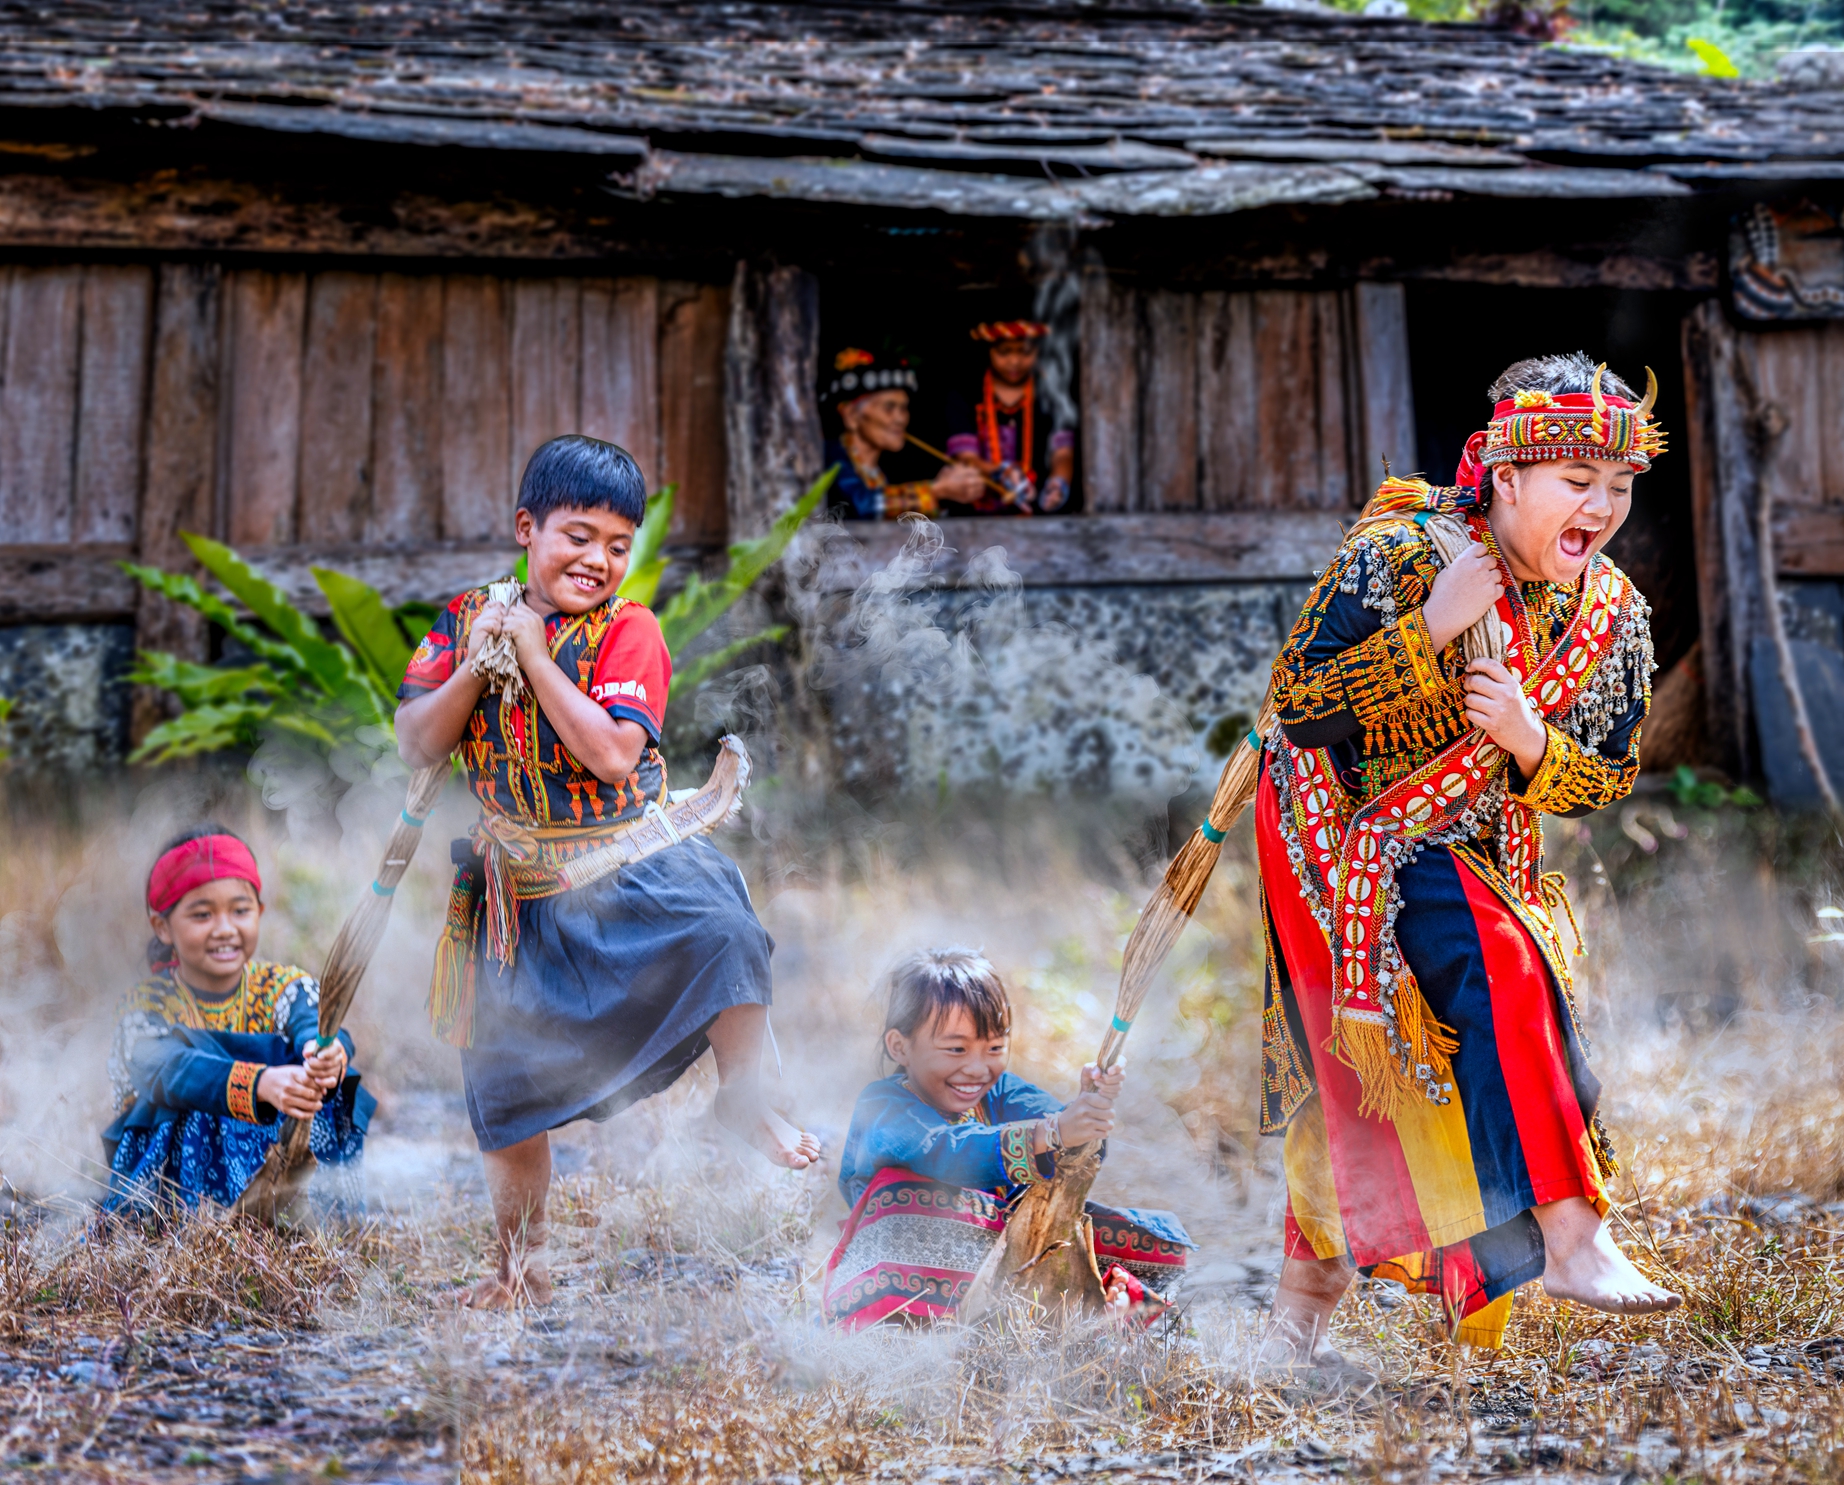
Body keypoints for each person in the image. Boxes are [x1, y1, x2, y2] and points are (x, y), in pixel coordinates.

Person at [1255, 353, 1680, 1371]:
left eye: (1619, 487)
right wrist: (1431, 628)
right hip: (1339, 834)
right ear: (1504, 474)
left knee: (1408, 1079)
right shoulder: (1399, 555)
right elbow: (1294, 705)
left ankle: (1291, 1325)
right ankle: (1572, 1235)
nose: (1603, 507)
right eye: (1578, 483)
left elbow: (1612, 771)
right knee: (1488, 975)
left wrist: (1535, 745)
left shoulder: (1611, 613)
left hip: (1481, 843)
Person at [395, 433, 821, 1309]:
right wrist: (482, 663)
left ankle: (746, 1095)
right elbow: (417, 740)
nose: (597, 559)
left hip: (631, 863)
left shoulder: (630, 631)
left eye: (618, 546)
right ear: (527, 527)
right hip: (519, 894)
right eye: (577, 536)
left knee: (727, 934)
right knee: (506, 1089)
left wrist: (537, 659)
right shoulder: (465, 615)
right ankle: (519, 1266)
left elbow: (615, 757)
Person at [826, 948, 1189, 1330]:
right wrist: (1052, 1132)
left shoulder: (999, 1092)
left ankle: (1090, 1307)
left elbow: (1060, 1131)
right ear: (900, 1047)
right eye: (956, 1049)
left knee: (1152, 1242)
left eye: (995, 1048)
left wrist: (1085, 1112)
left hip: (996, 1264)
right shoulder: (883, 1105)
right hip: (911, 1271)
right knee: (903, 1198)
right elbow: (947, 1152)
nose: (978, 1068)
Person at [104, 827, 372, 1219]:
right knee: (191, 1094)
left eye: (240, 910)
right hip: (178, 1183)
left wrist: (325, 1050)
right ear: (162, 927)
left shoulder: (281, 986)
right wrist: (261, 1084)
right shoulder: (145, 1007)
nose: (225, 928)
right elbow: (167, 1068)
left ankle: (309, 1214)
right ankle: (184, 1223)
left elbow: (312, 1021)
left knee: (320, 1083)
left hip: (274, 1156)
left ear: (259, 913)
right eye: (202, 914)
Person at [819, 347, 983, 519]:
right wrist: (935, 491)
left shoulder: (881, 472)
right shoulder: (829, 457)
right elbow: (860, 505)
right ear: (851, 416)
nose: (901, 419)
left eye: (904, 408)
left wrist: (945, 496)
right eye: (889, 408)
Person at [944, 321, 1075, 515]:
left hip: (1038, 514)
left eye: (1025, 352)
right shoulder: (965, 393)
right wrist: (1000, 473)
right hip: (975, 518)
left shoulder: (1051, 393)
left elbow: (1062, 453)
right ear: (989, 350)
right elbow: (966, 458)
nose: (1015, 361)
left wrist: (1058, 484)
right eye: (1004, 352)